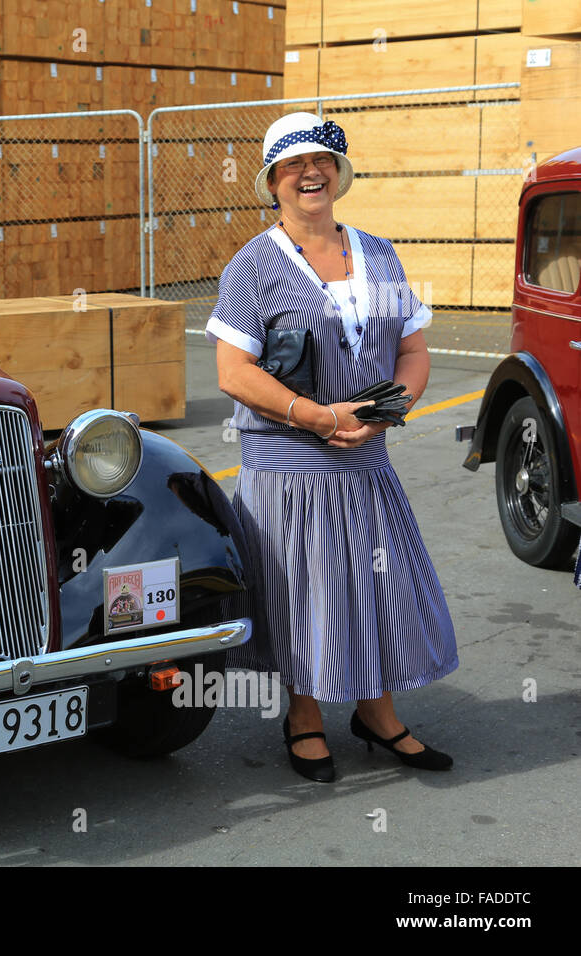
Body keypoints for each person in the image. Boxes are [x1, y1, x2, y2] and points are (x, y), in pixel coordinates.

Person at [207, 112, 457, 782]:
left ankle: (378, 715)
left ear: (340, 174)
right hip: (290, 467)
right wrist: (314, 415)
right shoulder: (252, 266)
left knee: (378, 590)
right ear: (272, 181)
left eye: (322, 162)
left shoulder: (378, 252)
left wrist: (388, 411)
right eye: (293, 166)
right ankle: (305, 716)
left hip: (367, 458)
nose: (310, 173)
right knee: (303, 596)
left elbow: (410, 349)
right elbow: (233, 373)